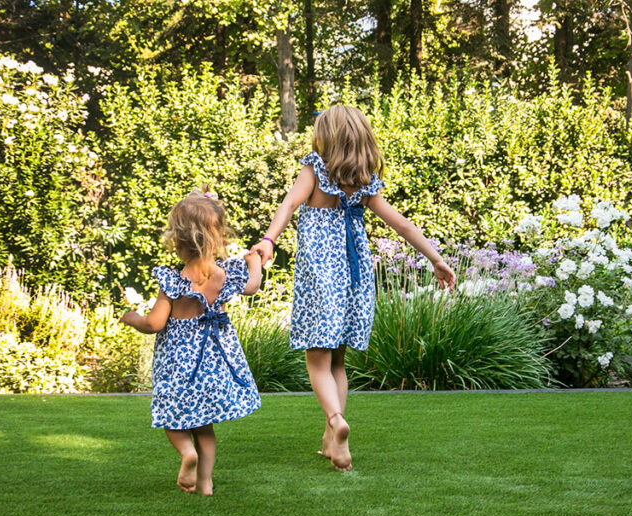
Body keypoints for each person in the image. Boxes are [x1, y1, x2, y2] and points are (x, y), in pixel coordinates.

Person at [251, 105, 456, 471]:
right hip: (355, 275)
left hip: (321, 275)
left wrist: (268, 239)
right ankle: (332, 441)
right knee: (339, 359)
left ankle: (334, 421)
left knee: (317, 358)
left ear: (325, 137)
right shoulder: (364, 183)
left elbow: (289, 203)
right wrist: (435, 258)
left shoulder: (315, 169)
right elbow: (403, 225)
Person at [121, 191, 263, 495]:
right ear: (218, 236)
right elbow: (252, 286)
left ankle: (187, 454)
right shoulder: (225, 275)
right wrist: (255, 263)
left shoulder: (173, 280)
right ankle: (205, 482)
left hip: (178, 362)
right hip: (213, 361)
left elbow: (154, 324)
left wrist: (131, 317)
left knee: (171, 415)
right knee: (205, 425)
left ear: (178, 240)